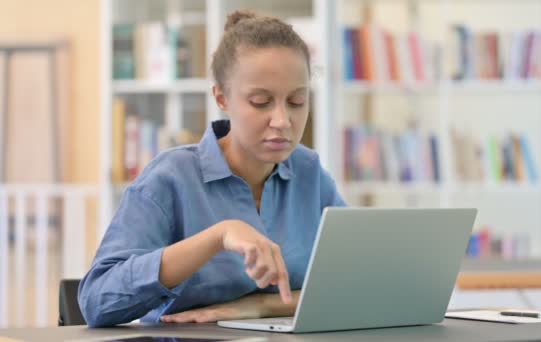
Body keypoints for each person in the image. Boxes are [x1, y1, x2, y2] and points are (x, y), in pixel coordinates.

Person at [78, 10, 346, 327]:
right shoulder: (171, 177)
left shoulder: (309, 172)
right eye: (261, 101)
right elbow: (96, 301)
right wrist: (217, 237)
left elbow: (356, 285)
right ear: (221, 97)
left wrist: (259, 306)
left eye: (297, 101)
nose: (282, 121)